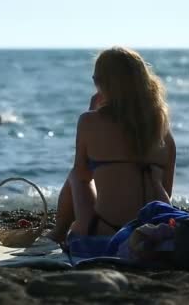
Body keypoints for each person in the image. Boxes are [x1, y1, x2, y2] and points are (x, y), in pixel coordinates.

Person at [48, 47, 176, 243]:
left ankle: (58, 231)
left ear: (103, 83)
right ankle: (58, 232)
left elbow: (83, 174)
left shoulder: (89, 121)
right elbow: (167, 192)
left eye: (95, 80)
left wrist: (92, 112)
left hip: (106, 230)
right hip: (156, 231)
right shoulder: (163, 130)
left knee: (76, 175)